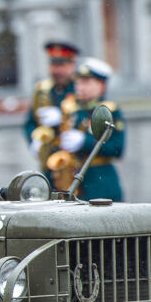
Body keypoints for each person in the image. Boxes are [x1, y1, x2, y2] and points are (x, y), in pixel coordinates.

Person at [52, 57, 126, 202]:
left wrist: (84, 142)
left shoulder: (109, 111)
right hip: (75, 184)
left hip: (100, 183)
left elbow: (117, 148)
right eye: (78, 82)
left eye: (86, 82)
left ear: (101, 85)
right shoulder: (73, 109)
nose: (80, 87)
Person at [24, 41, 80, 183]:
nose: (56, 71)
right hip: (50, 164)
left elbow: (88, 117)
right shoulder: (42, 89)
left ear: (72, 65)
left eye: (61, 66)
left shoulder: (80, 88)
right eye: (53, 65)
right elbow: (30, 122)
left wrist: (62, 118)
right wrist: (33, 141)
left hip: (76, 165)